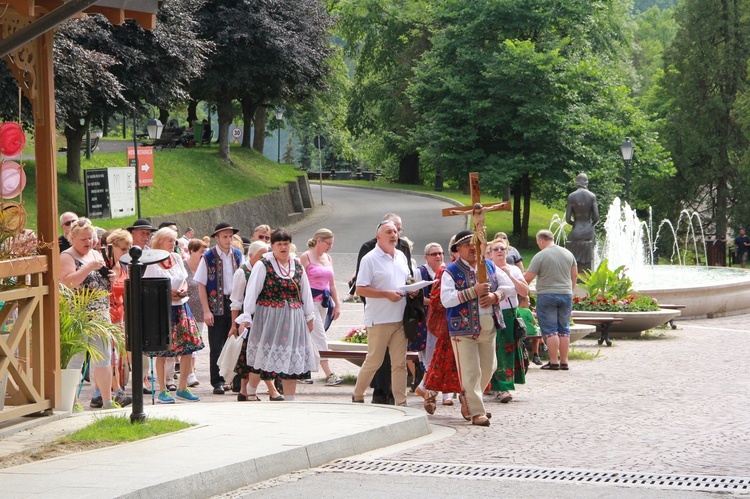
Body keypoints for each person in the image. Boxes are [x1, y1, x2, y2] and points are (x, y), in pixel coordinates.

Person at [235, 229, 317, 401]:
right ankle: (250, 389)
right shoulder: (263, 265)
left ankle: (290, 400)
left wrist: (309, 316)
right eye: (279, 244)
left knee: (291, 358)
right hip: (269, 318)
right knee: (263, 356)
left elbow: (306, 292)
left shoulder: (297, 266)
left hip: (293, 318)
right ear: (272, 246)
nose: (283, 248)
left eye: (286, 244)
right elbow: (252, 292)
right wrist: (246, 316)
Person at [441, 230, 506, 426]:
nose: (472, 248)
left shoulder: (490, 265)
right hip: (463, 328)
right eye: (467, 244)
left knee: (489, 367)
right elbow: (446, 299)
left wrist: (496, 296)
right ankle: (476, 412)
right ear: (457, 249)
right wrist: (472, 292)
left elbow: (509, 287)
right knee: (470, 371)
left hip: (488, 325)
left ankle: (468, 399)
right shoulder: (451, 271)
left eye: (475, 243)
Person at [352, 213, 413, 405]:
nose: (393, 235)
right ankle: (358, 394)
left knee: (399, 364)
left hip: (400, 318)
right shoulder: (370, 259)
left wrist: (413, 290)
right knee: (374, 361)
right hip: (379, 319)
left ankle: (401, 402)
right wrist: (386, 293)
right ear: (378, 236)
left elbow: (408, 280)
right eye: (389, 232)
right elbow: (360, 289)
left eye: (395, 231)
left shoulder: (401, 255)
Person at [60, 218, 118, 409]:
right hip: (78, 316)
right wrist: (87, 268)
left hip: (100, 315)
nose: (88, 242)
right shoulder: (67, 256)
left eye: (91, 238)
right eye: (84, 239)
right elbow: (67, 283)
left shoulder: (95, 253)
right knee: (75, 359)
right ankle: (71, 401)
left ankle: (107, 400)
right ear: (72, 238)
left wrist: (111, 276)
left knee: (104, 358)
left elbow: (101, 279)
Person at [143, 228, 204, 403]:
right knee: (163, 350)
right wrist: (168, 293)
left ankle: (182, 387)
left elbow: (184, 278)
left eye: (174, 240)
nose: (173, 244)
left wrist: (183, 289)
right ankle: (162, 390)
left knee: (188, 347)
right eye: (170, 240)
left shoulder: (176, 258)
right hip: (163, 309)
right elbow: (149, 286)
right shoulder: (152, 261)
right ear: (160, 241)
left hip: (182, 307)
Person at [229, 240, 283, 401]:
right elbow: (236, 301)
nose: (264, 258)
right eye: (260, 256)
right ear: (251, 256)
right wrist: (235, 324)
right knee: (259, 354)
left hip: (265, 317)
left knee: (252, 356)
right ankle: (271, 390)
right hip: (249, 318)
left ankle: (245, 391)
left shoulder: (268, 269)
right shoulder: (242, 272)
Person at [195, 222, 244, 394]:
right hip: (216, 304)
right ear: (217, 238)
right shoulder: (208, 257)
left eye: (230, 236)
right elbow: (201, 284)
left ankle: (237, 379)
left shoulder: (238, 255)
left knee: (237, 342)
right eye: (225, 236)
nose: (228, 239)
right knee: (217, 345)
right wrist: (206, 310)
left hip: (236, 302)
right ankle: (218, 381)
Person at [417, 238, 462, 414]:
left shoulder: (476, 269)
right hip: (446, 325)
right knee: (442, 360)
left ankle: (431, 389)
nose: (438, 256)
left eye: (439, 253)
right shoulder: (446, 271)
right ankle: (429, 389)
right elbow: (437, 300)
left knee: (456, 363)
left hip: (467, 325)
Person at [524, 229, 577, 371]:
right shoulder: (568, 253)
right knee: (564, 329)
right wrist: (570, 291)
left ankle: (554, 362)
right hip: (566, 294)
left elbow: (528, 278)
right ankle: (564, 361)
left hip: (547, 295)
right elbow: (574, 276)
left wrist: (521, 292)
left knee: (551, 329)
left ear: (541, 240)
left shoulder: (540, 256)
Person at [300, 229, 343, 386]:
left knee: (313, 337)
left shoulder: (328, 257)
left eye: (332, 244)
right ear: (319, 240)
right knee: (320, 337)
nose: (330, 247)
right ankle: (329, 373)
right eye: (328, 243)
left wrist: (337, 304)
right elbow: (299, 281)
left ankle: (303, 371)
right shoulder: (305, 257)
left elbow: (332, 284)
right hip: (309, 303)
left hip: (324, 302)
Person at [488, 237, 529, 403]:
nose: (499, 252)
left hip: (510, 313)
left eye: (502, 249)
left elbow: (524, 292)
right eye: (496, 249)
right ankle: (498, 386)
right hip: (493, 312)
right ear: (490, 254)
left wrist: (510, 275)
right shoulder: (487, 269)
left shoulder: (514, 269)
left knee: (508, 350)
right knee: (494, 350)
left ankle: (503, 386)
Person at [185, 238, 209, 388]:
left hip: (199, 311)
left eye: (205, 252)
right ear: (192, 251)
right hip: (185, 311)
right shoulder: (183, 266)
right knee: (187, 342)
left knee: (195, 343)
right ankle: (188, 373)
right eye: (201, 252)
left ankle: (190, 373)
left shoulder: (204, 267)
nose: (203, 255)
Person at [565, 173, 599, 273]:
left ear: (577, 183)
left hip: (576, 230)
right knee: (591, 242)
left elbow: (567, 219)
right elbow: (596, 217)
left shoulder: (571, 196)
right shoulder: (592, 196)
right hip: (588, 229)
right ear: (586, 182)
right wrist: (591, 225)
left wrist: (574, 224)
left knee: (571, 242)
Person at [517, 295, 542, 365]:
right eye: (528, 302)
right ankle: (536, 355)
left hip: (521, 332)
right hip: (531, 332)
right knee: (536, 337)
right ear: (522, 302)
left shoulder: (516, 310)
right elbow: (533, 322)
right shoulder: (527, 311)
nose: (529, 303)